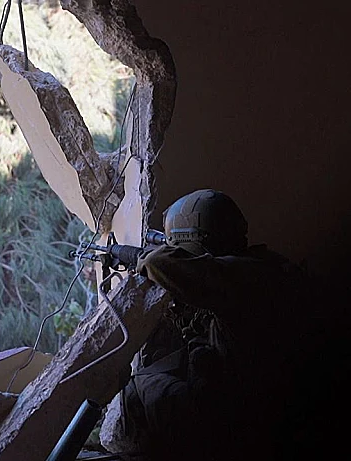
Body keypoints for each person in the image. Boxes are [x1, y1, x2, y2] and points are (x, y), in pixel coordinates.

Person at [116, 189, 311, 460]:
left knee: (141, 380)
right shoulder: (267, 266)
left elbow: (156, 261)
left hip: (246, 421)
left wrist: (133, 255)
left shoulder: (233, 279)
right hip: (287, 403)